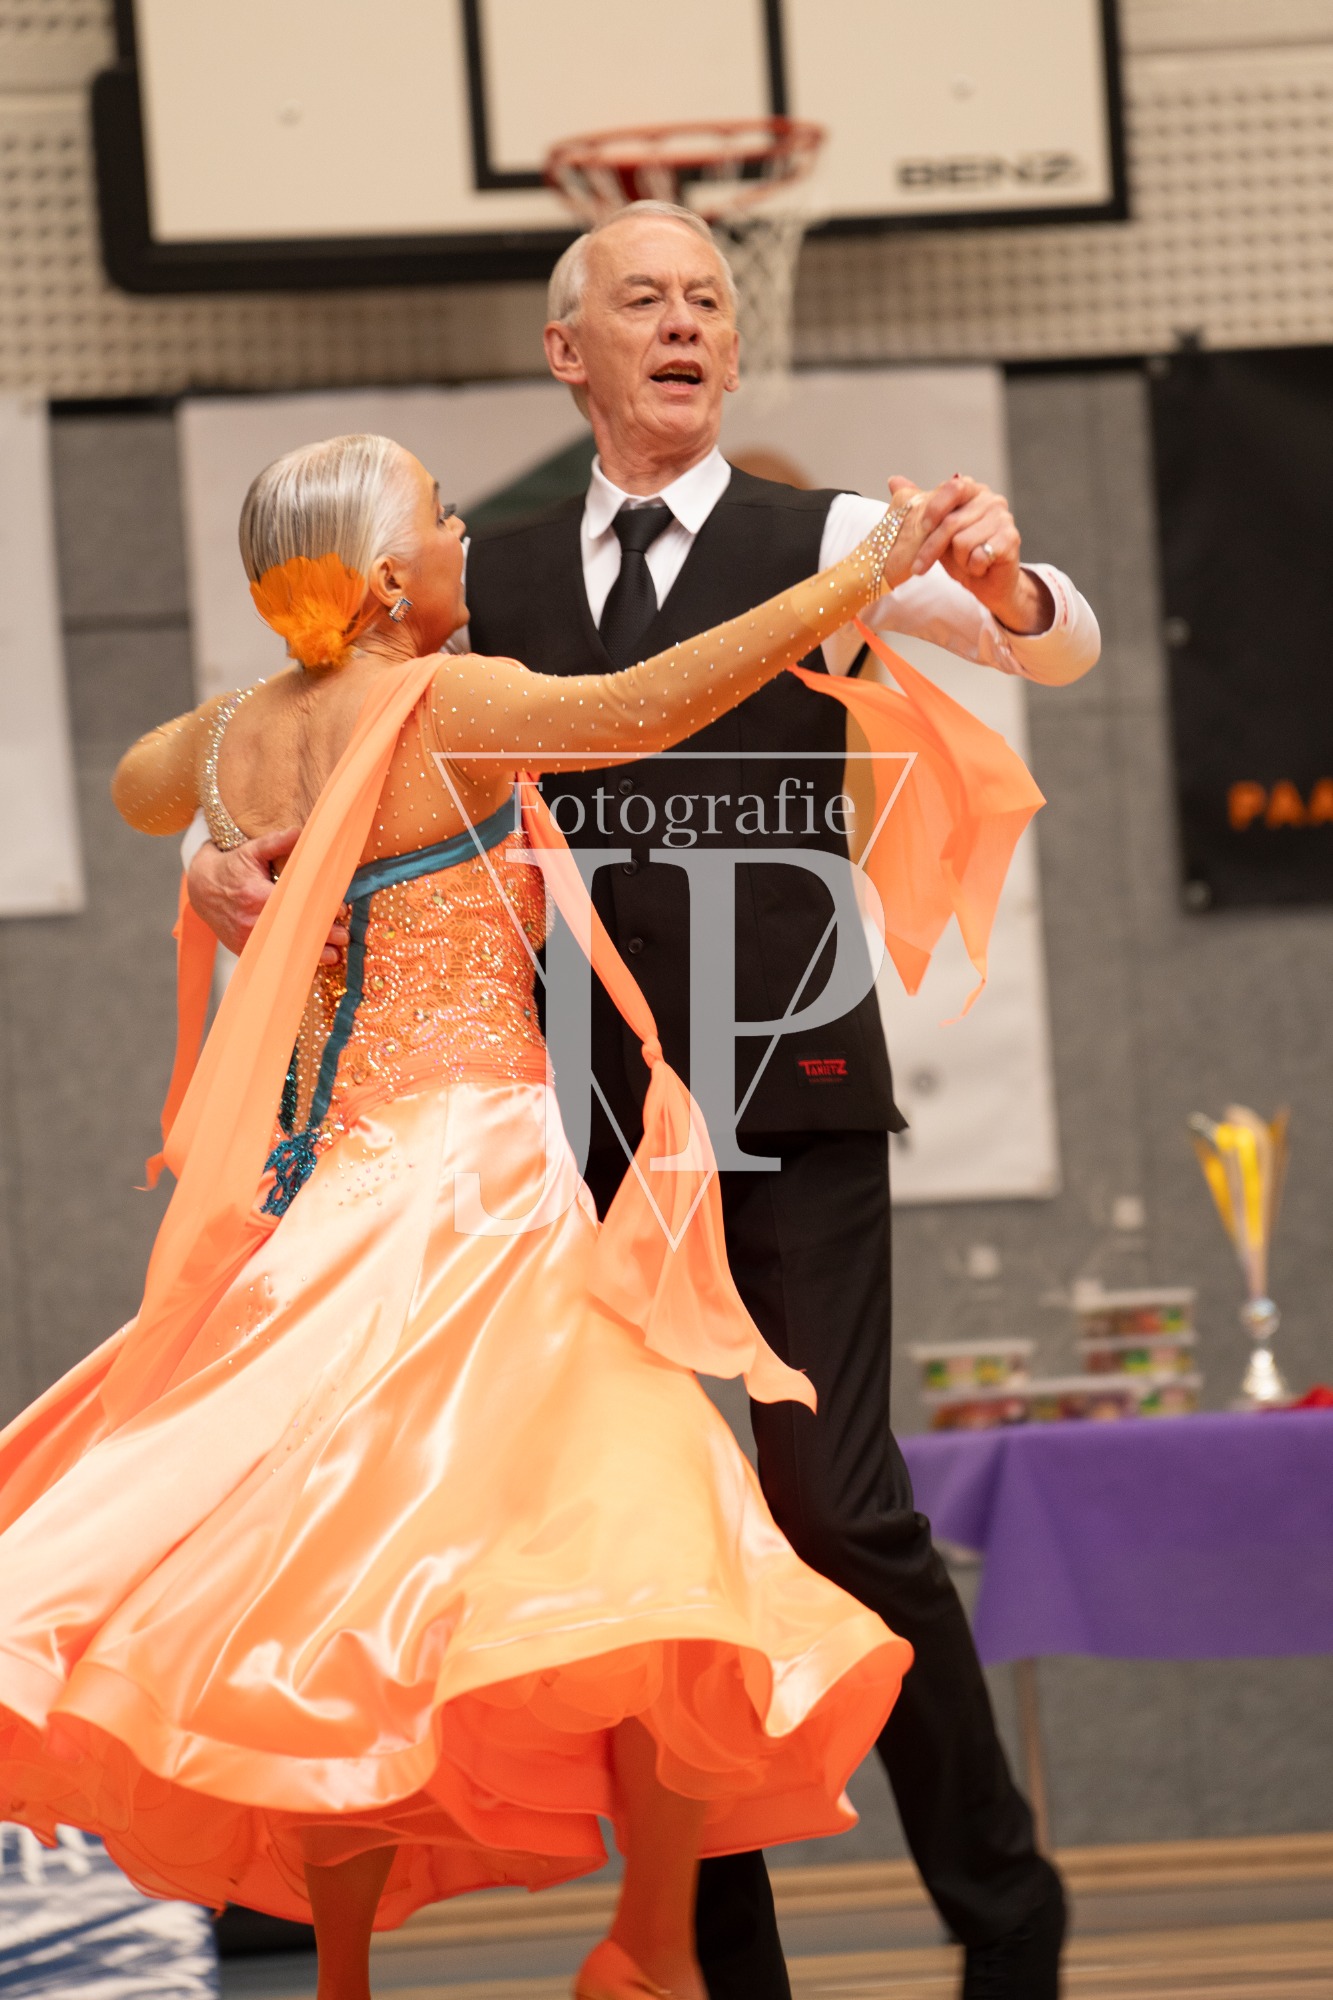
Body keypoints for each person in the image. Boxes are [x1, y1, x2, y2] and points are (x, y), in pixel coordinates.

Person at [185, 204, 1101, 2000]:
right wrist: (221, 858)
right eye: (644, 301)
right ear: (569, 352)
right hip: (573, 1125)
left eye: (706, 301)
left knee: (835, 1512)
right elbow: (290, 735)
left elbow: (1047, 646)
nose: (683, 323)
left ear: (731, 351)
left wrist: (1005, 585)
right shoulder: (483, 579)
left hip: (787, 1084)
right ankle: (709, 1965)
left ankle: (1005, 1907)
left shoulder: (822, 537)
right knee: (654, 1558)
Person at [0, 434, 969, 2000]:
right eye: (444, 518)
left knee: (328, 1582)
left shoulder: (239, 730)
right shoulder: (443, 704)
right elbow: (643, 707)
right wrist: (857, 572)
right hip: (480, 1193)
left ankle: (348, 1975)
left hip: (324, 1204)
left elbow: (134, 782)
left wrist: (211, 850)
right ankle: (651, 1945)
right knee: (657, 1531)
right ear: (389, 580)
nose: (467, 533)